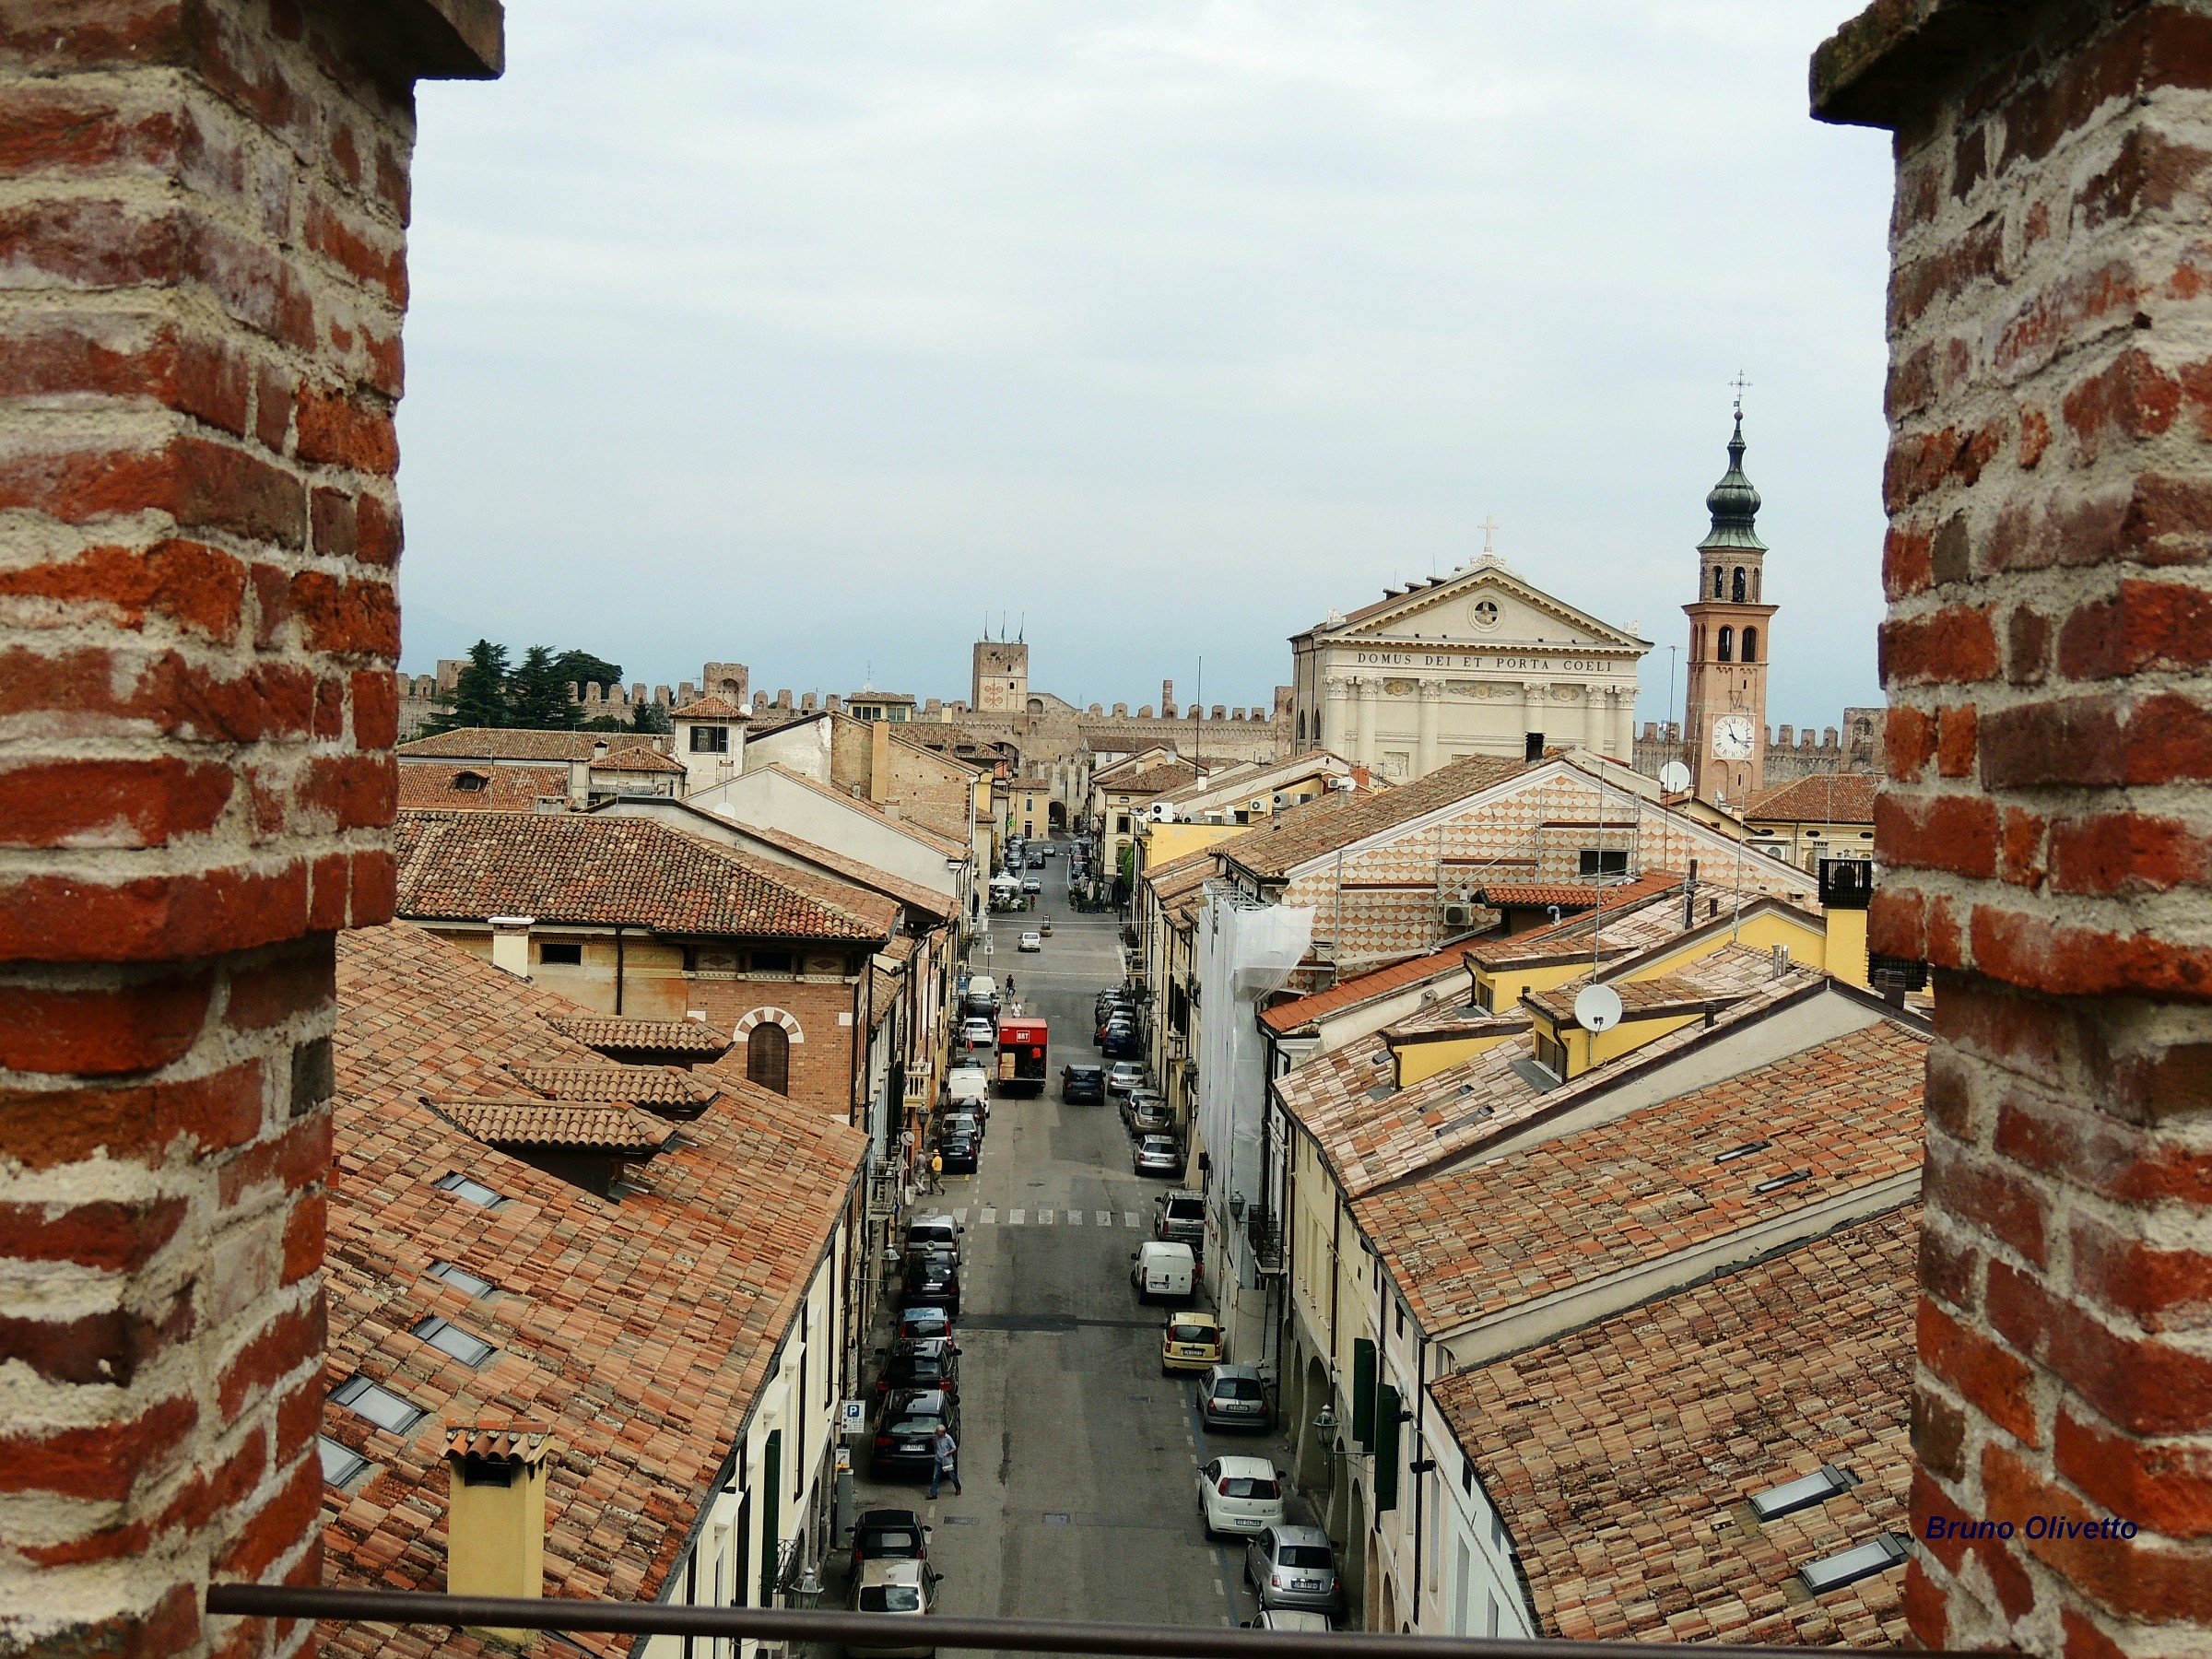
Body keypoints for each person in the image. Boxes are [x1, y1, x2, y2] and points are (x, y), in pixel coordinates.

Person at [929, 1424, 960, 1499]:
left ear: (943, 1432)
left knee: (952, 1475)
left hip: (946, 1461)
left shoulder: (948, 1438)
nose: (937, 1433)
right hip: (938, 1460)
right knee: (935, 1477)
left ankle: (958, 1487)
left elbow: (954, 1448)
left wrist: (948, 1453)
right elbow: (933, 1443)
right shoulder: (936, 1437)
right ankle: (933, 1494)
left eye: (938, 1432)